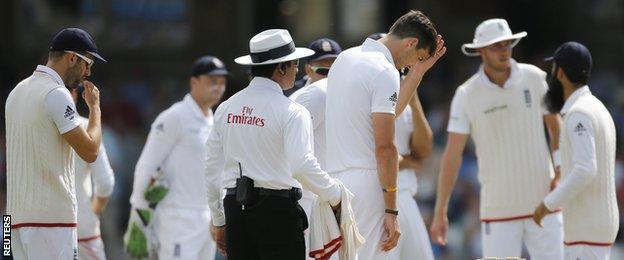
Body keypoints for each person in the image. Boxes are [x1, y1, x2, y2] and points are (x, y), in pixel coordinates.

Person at [429, 18, 563, 259]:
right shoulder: (466, 94)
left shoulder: (535, 78)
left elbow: (556, 127)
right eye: (495, 46)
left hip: (544, 203)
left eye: (507, 44)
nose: (503, 51)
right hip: (498, 208)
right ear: (480, 50)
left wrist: (561, 168)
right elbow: (452, 155)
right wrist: (440, 211)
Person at [205, 29, 344, 260]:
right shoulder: (292, 112)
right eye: (294, 63)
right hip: (277, 212)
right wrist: (335, 194)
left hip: (235, 209)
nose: (298, 69)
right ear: (281, 68)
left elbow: (211, 170)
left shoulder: (226, 108)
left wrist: (219, 220)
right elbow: (302, 165)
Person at [325, 10, 445, 259]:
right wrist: (392, 210)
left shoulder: (345, 58)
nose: (411, 65)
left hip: (335, 182)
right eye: (417, 57)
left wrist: (417, 73)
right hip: (369, 185)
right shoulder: (385, 70)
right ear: (411, 42)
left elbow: (390, 111)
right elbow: (386, 148)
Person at [5, 27, 105, 259]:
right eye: (87, 63)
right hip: (50, 223)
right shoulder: (55, 93)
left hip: (12, 222)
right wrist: (95, 109)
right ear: (72, 58)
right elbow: (91, 152)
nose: (87, 72)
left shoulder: (16, 92)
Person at [125, 56, 229, 259]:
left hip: (207, 219)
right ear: (194, 82)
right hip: (177, 218)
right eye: (212, 81)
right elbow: (147, 166)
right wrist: (139, 216)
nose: (218, 87)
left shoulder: (215, 121)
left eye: (222, 82)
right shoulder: (174, 117)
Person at [534, 42, 619, 260]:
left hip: (586, 229)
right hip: (595, 227)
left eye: (553, 70)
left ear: (560, 73)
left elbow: (585, 169)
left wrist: (547, 205)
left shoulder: (578, 114)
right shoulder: (597, 108)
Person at [368, 32, 435, 260]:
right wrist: (406, 161)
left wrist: (412, 96)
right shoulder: (369, 95)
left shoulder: (405, 93)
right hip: (380, 199)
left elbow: (424, 150)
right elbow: (374, 151)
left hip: (406, 195)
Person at [288, 37, 342, 259]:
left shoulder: (347, 94)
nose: (328, 76)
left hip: (338, 195)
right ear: (308, 69)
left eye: (335, 68)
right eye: (322, 69)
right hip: (309, 197)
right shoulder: (299, 100)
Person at [69, 87, 115, 260]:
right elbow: (106, 183)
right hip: (82, 226)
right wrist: (92, 212)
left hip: (37, 226)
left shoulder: (27, 128)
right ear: (74, 95)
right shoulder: (86, 126)